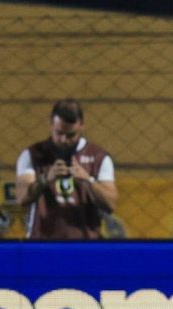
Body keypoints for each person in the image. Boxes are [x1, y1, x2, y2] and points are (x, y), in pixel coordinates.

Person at [15, 99, 119, 240]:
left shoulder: (98, 157)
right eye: (59, 133)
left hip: (86, 244)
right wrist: (45, 179)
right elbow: (22, 198)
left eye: (71, 135)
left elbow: (111, 204)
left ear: (81, 126)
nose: (64, 140)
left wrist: (87, 180)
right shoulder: (32, 155)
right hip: (42, 243)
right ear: (51, 125)